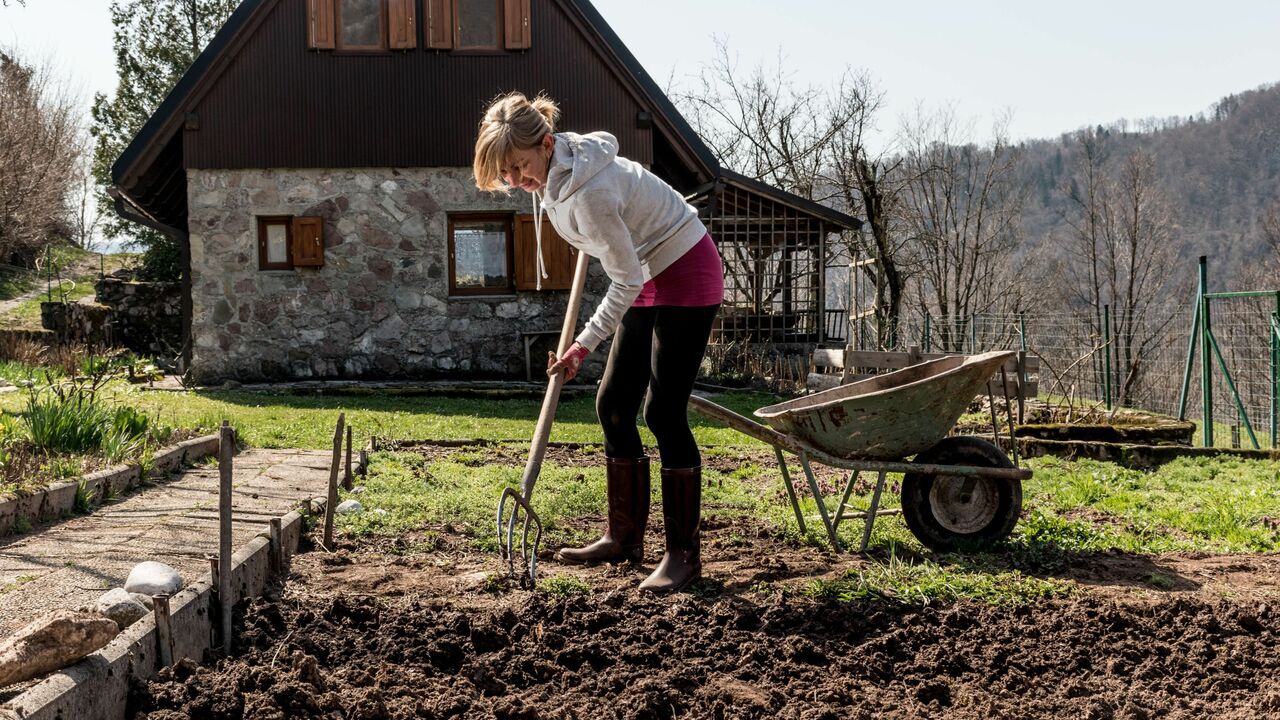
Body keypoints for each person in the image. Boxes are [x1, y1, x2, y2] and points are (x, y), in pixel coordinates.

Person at [473, 92, 723, 593]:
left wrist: (583, 344)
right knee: (612, 404)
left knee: (663, 412)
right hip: (647, 273)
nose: (516, 181)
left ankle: (683, 556)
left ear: (546, 145)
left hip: (686, 269)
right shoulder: (558, 173)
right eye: (506, 174)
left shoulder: (590, 190)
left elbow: (624, 280)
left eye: (519, 168)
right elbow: (624, 265)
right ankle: (624, 537)